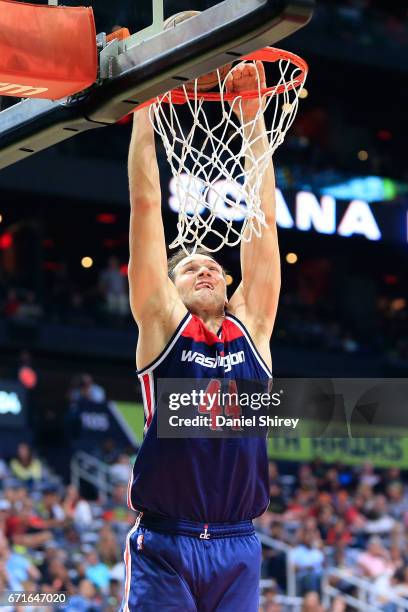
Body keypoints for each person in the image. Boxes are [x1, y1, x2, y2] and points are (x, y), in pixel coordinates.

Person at [123, 60, 281, 611]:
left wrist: (252, 116)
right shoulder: (164, 326)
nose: (206, 268)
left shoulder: (251, 328)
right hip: (166, 541)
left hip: (239, 544)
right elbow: (146, 208)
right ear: (169, 289)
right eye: (189, 268)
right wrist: (145, 106)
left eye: (212, 264)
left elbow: (262, 219)